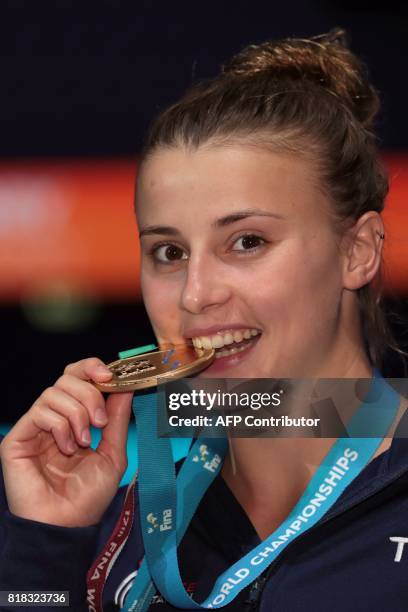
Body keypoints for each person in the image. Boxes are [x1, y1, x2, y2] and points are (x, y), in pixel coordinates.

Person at [1, 27, 408, 611]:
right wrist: (45, 544)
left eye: (246, 241)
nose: (195, 295)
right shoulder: (116, 524)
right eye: (169, 252)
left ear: (358, 251)